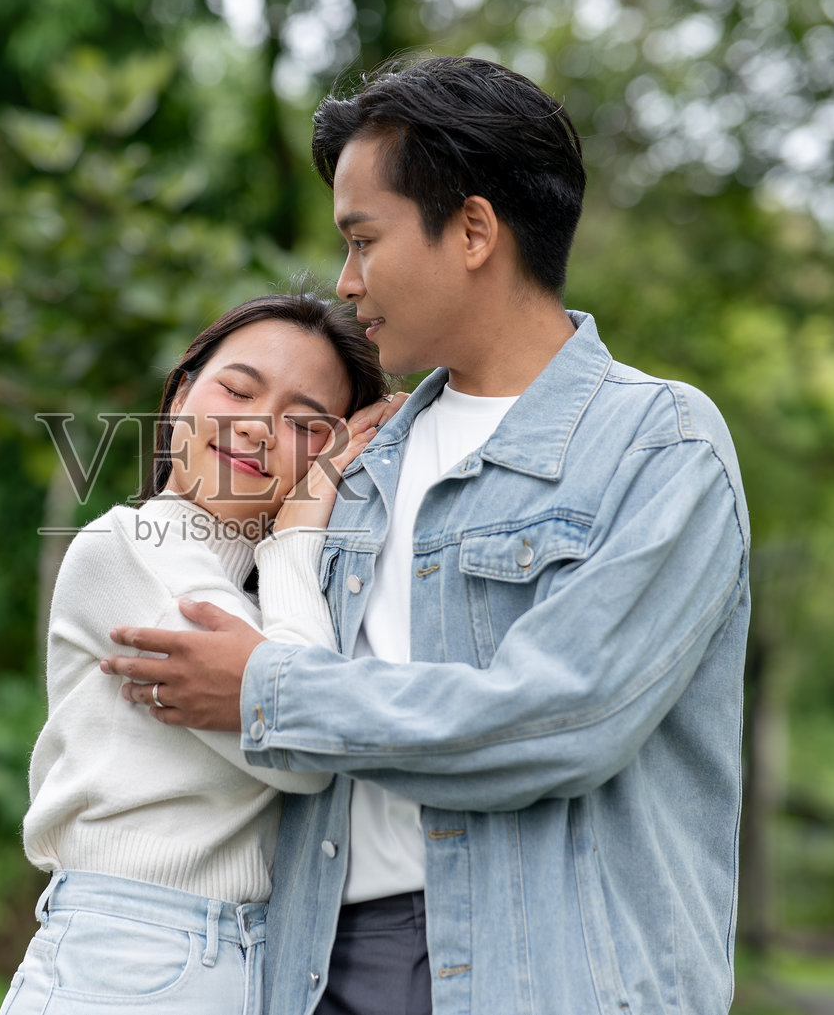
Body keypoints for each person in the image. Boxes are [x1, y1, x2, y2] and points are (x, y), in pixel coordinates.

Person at [101, 56, 751, 1015]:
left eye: (364, 241)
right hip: (320, 964)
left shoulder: (657, 444)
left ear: (474, 231)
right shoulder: (358, 458)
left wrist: (268, 692)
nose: (345, 281)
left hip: (551, 974)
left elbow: (565, 717)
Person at [1, 292, 397, 1015]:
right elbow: (305, 744)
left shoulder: (276, 600)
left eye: (305, 424)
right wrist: (298, 530)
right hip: (129, 955)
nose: (256, 427)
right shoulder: (128, 549)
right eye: (238, 391)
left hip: (246, 955)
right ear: (181, 395)